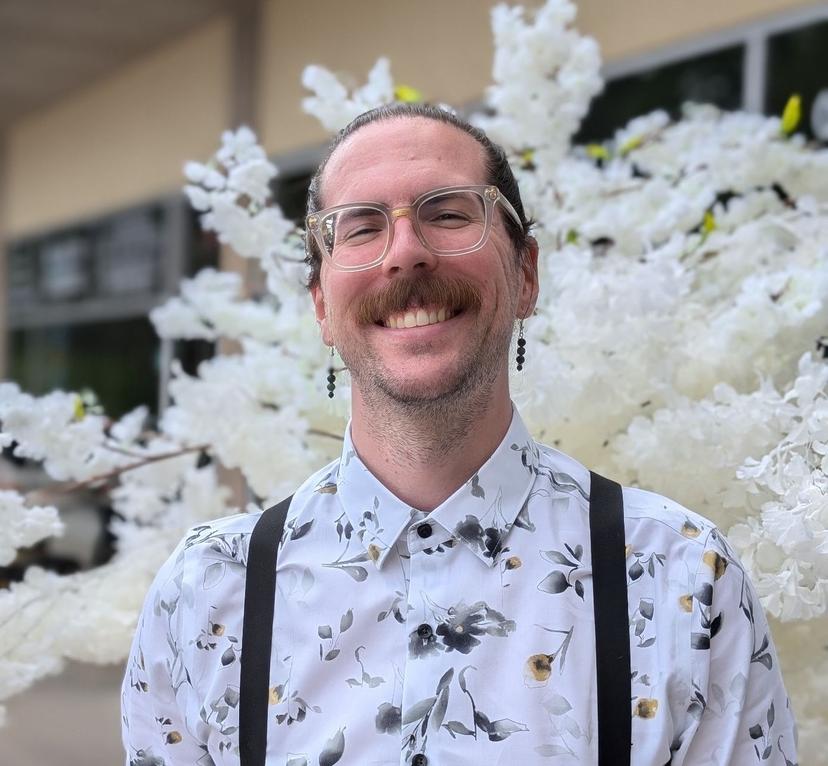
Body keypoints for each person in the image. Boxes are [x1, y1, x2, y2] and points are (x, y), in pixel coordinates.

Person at [121, 103, 798, 766]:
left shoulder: (680, 577)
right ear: (321, 304)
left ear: (525, 274)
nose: (406, 253)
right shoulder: (210, 594)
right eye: (361, 227)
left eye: (447, 214)